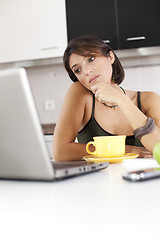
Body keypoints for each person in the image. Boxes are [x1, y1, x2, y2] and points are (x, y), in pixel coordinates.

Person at [53, 35, 160, 161]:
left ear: (110, 57)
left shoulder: (148, 100)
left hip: (144, 179)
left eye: (91, 59)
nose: (86, 71)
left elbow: (157, 147)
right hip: (98, 180)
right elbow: (60, 152)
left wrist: (122, 100)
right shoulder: (80, 93)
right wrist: (124, 150)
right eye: (78, 70)